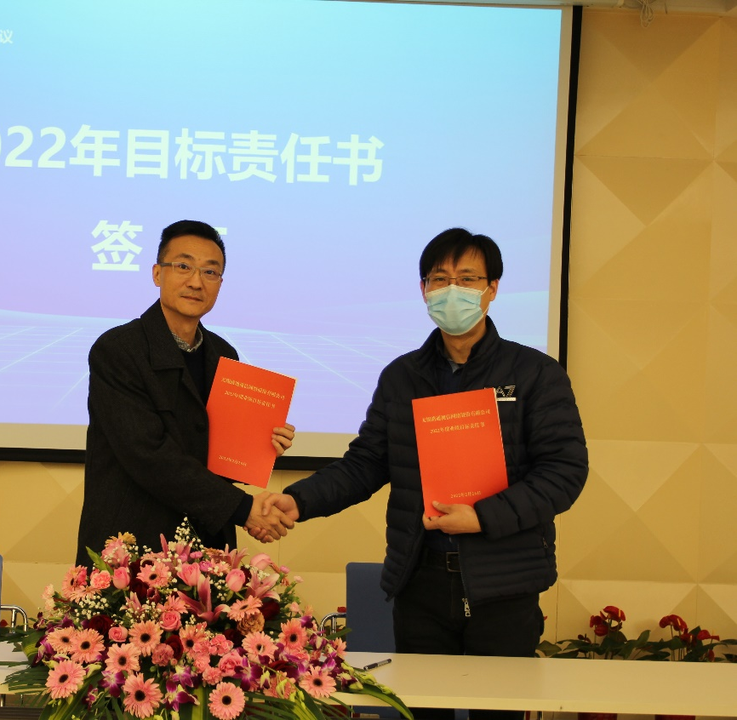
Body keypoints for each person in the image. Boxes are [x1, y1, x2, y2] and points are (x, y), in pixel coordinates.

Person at [261, 228, 588, 720]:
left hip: (505, 585)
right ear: (423, 290)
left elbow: (564, 472)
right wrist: (299, 500)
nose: (452, 290)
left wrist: (482, 517)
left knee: (497, 713)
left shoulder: (535, 374)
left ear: (492, 289)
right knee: (423, 712)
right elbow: (366, 462)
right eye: (439, 279)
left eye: (467, 279)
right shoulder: (403, 376)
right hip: (421, 582)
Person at [76, 220, 296, 566]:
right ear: (157, 273)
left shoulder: (224, 355)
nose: (196, 282)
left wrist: (259, 445)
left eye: (210, 272)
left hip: (206, 548)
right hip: (132, 550)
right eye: (183, 266)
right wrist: (243, 509)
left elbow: (214, 460)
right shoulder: (118, 349)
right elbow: (147, 454)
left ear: (220, 283)